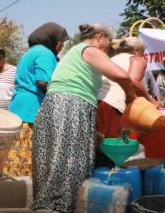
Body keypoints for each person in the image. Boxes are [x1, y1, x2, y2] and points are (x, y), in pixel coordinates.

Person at [31, 24, 137, 213]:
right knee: (70, 163)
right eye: (107, 45)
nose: (107, 50)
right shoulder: (89, 49)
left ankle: (46, 206)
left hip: (54, 106)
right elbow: (123, 76)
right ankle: (62, 207)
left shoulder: (74, 53)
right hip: (71, 105)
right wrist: (131, 98)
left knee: (52, 162)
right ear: (100, 38)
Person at [6, 22, 69, 177]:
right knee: (29, 157)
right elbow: (43, 82)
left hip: (18, 108)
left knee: (18, 155)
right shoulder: (45, 53)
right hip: (32, 110)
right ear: (52, 39)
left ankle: (15, 193)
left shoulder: (30, 52)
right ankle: (25, 197)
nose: (61, 47)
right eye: (61, 43)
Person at [97, 37, 155, 139]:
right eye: (143, 52)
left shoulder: (112, 59)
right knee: (111, 145)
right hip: (112, 105)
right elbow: (134, 81)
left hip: (97, 102)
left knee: (98, 144)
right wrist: (150, 100)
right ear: (136, 50)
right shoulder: (137, 59)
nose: (143, 56)